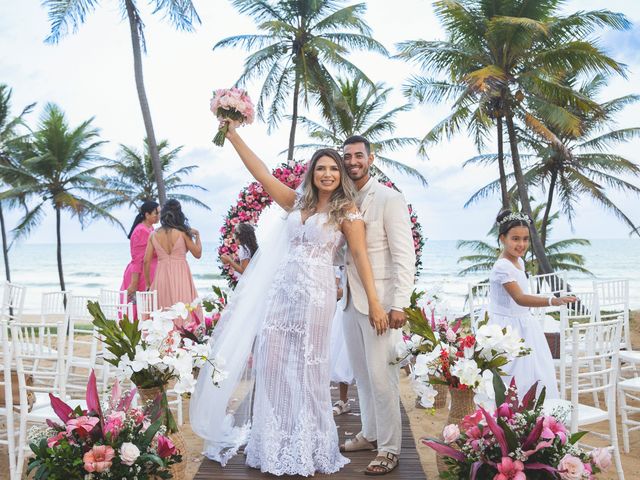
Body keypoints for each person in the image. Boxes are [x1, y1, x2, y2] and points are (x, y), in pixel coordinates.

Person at [190, 122, 387, 477]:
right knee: (272, 363)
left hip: (316, 295)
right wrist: (233, 135)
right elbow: (262, 172)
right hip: (280, 294)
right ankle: (276, 441)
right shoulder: (296, 202)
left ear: (340, 174)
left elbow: (360, 258)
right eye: (321, 168)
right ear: (312, 174)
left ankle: (309, 445)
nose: (327, 174)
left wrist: (373, 302)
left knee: (309, 369)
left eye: (333, 168)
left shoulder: (347, 212)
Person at [340, 135, 416, 475]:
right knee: (362, 376)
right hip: (349, 303)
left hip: (381, 304)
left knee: (383, 377)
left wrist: (399, 304)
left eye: (358, 155)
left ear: (370, 159)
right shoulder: (342, 200)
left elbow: (404, 256)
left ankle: (389, 449)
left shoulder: (389, 198)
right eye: (347, 156)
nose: (352, 161)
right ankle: (370, 433)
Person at [488, 209, 575, 399]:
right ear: (502, 238)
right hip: (507, 329)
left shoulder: (518, 261)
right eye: (515, 239)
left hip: (524, 324)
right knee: (513, 376)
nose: (521, 244)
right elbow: (519, 298)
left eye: (525, 239)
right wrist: (553, 300)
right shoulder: (502, 266)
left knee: (535, 372)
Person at [143, 199, 202, 324]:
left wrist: (148, 283)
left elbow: (146, 261)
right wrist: (197, 235)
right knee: (184, 310)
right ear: (179, 213)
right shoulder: (183, 233)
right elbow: (198, 254)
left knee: (163, 309)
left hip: (161, 278)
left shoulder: (153, 235)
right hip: (181, 277)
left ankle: (164, 341)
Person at [120, 201, 160, 315]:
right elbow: (137, 259)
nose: (159, 216)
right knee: (139, 309)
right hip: (140, 275)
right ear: (147, 215)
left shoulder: (151, 228)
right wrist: (134, 282)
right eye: (156, 213)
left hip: (148, 273)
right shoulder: (140, 231)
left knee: (148, 308)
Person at [330, 265, 354, 415]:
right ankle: (343, 400)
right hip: (344, 308)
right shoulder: (338, 264)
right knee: (341, 357)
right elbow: (335, 289)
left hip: (362, 304)